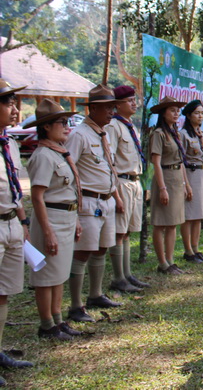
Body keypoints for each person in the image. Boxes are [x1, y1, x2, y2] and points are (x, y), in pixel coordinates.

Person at [25, 99, 84, 341]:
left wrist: (76, 218)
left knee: (60, 272)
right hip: (50, 219)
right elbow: (38, 197)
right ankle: (47, 325)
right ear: (46, 127)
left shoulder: (59, 153)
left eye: (68, 122)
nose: (67, 127)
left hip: (66, 217)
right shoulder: (43, 156)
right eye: (62, 122)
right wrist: (47, 231)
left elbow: (69, 190)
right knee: (46, 276)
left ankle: (58, 319)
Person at [66, 84, 124, 323]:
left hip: (106, 199)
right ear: (93, 109)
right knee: (83, 252)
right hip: (89, 201)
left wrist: (116, 196)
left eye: (113, 107)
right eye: (107, 108)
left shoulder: (103, 133)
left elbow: (108, 167)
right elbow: (69, 170)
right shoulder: (79, 135)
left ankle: (95, 294)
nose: (111, 112)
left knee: (101, 248)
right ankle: (75, 305)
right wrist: (75, 206)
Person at [0, 79, 34, 380]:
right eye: (8, 103)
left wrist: (23, 221)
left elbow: (14, 187)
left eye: (14, 103)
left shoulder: (9, 143)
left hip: (11, 222)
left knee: (4, 292)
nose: (15, 110)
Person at [105, 85, 149, 293]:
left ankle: (127, 274)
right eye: (129, 101)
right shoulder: (113, 126)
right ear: (117, 105)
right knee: (119, 232)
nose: (134, 104)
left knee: (128, 231)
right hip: (121, 182)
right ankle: (118, 278)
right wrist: (115, 194)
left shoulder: (129, 125)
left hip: (134, 180)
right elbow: (110, 161)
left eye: (134, 100)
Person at [149, 96, 192, 274]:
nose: (176, 114)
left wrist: (186, 185)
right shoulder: (158, 134)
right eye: (172, 110)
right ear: (163, 113)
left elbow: (180, 162)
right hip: (165, 178)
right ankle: (162, 262)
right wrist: (162, 188)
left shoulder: (175, 133)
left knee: (173, 222)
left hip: (176, 179)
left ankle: (170, 260)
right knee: (160, 223)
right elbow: (156, 163)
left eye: (178, 111)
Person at [180, 100, 203, 263]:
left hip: (202, 174)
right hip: (190, 174)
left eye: (202, 113)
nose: (200, 116)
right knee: (189, 215)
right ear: (188, 115)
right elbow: (181, 160)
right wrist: (186, 184)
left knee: (199, 214)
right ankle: (188, 251)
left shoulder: (202, 133)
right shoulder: (183, 134)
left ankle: (196, 248)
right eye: (196, 113)